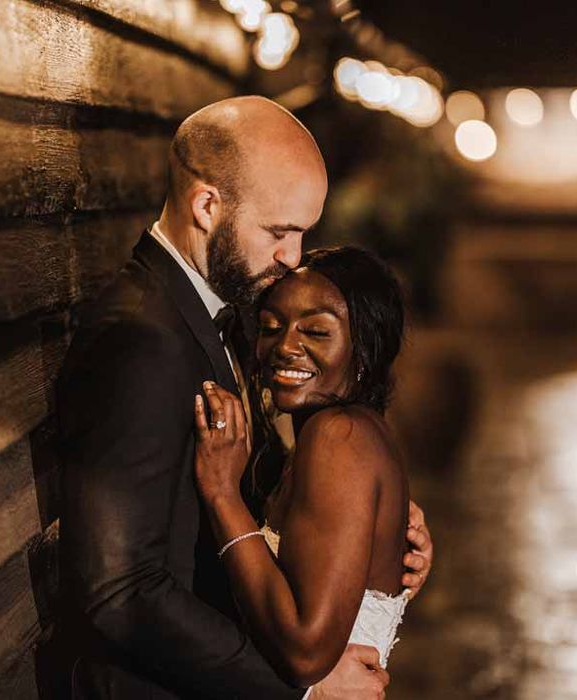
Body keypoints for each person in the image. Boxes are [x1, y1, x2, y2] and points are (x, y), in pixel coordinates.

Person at [57, 96, 433, 699]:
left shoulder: (222, 316)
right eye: (278, 232)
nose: (291, 258)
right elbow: (120, 590)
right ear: (207, 205)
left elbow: (236, 490)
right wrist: (297, 688)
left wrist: (367, 539)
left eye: (302, 233)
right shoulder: (139, 340)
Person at [194, 246, 420, 691]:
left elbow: (305, 652)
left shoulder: (338, 437)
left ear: (365, 348)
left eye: (316, 331)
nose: (285, 347)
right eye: (271, 327)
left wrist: (222, 493)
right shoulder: (341, 435)